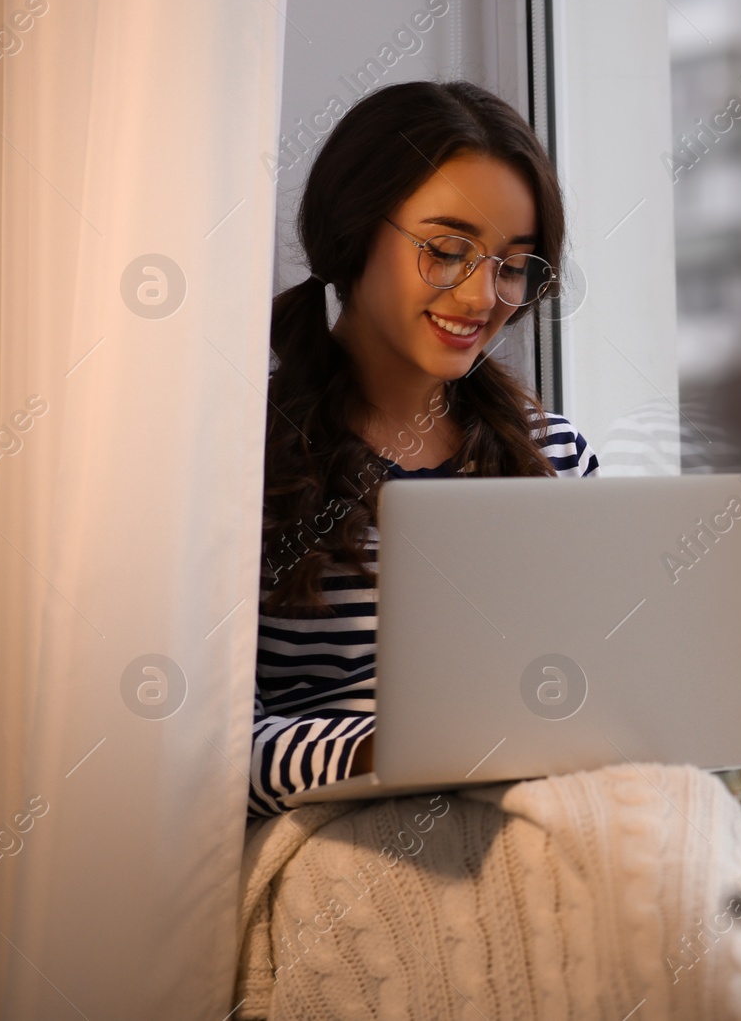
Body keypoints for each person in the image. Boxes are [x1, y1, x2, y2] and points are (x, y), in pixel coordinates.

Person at [248, 80, 597, 818]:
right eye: (446, 251)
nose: (480, 297)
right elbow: (201, 747)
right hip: (341, 833)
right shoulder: (242, 463)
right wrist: (385, 752)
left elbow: (605, 687)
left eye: (511, 265)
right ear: (354, 230)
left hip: (534, 813)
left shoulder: (557, 458)